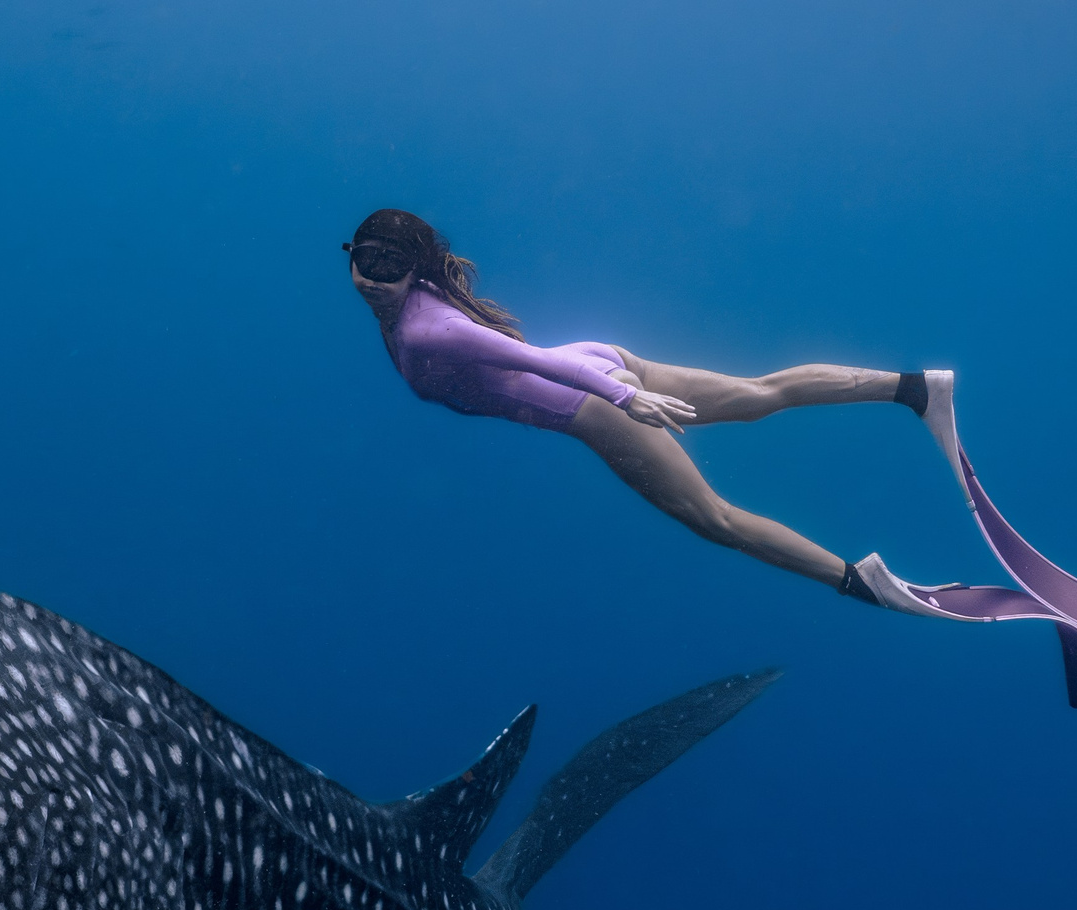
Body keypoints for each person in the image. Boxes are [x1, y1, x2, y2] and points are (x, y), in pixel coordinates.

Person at [343, 206, 960, 615]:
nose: (372, 281)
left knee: (716, 520)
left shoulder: (426, 331)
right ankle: (917, 389)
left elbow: (529, 362)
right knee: (758, 394)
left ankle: (865, 583)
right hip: (599, 358)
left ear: (413, 272)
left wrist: (625, 398)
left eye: (389, 269)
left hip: (593, 400)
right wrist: (620, 382)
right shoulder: (413, 300)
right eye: (365, 263)